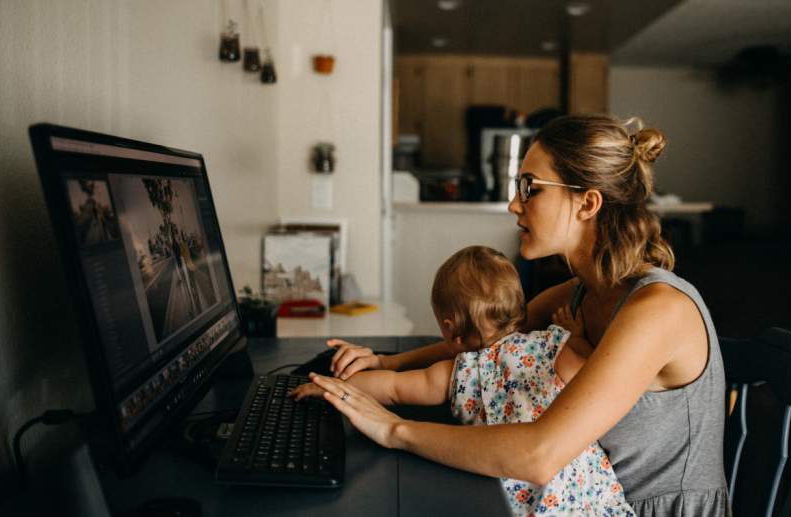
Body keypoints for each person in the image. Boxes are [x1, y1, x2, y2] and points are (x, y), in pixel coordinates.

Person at [307, 114, 730, 516]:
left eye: (530, 187)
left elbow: (539, 454)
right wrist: (386, 363)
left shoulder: (657, 311)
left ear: (587, 203)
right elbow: (490, 342)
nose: (514, 203)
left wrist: (393, 430)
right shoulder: (580, 292)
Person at [291, 246, 634, 517]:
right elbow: (588, 367)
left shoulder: (458, 372)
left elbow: (392, 388)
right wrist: (574, 335)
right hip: (584, 496)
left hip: (511, 500)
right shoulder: (555, 346)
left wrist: (330, 387)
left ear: (450, 328)